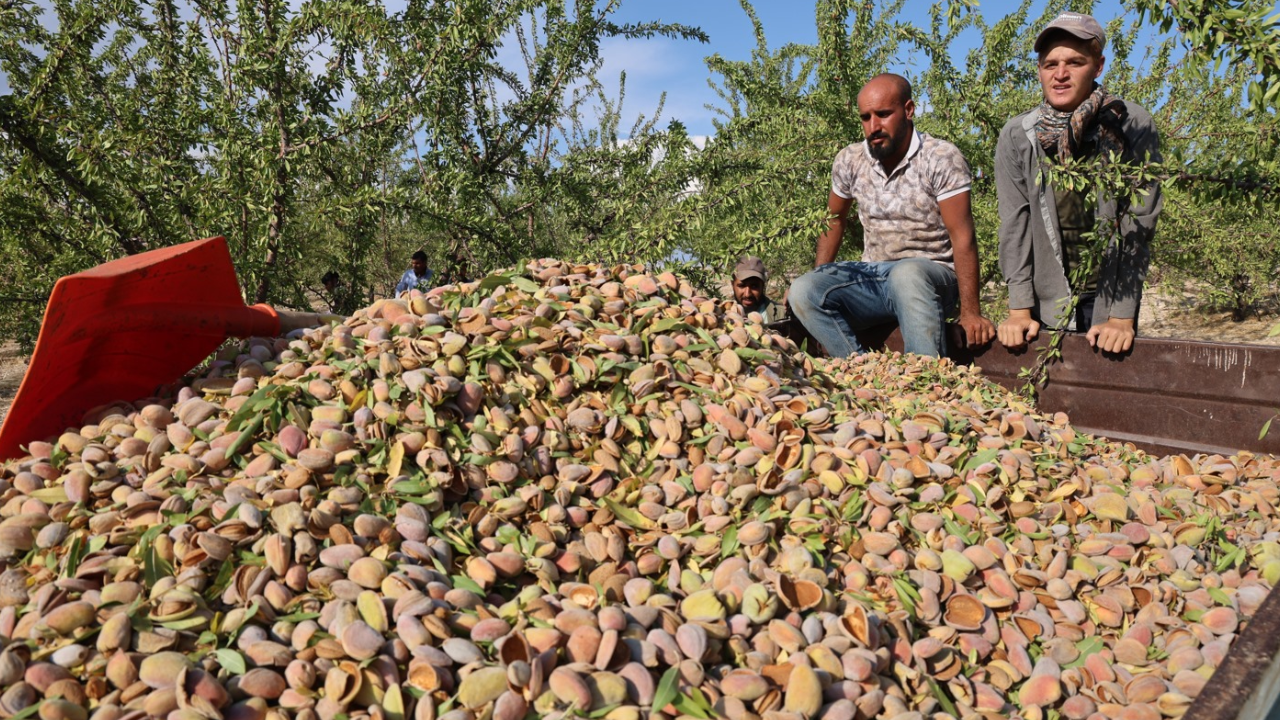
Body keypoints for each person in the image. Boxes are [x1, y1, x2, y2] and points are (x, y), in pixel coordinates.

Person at [789, 74, 995, 358]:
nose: (873, 126)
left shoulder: (941, 157)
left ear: (909, 110)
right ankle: (859, 371)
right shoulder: (850, 160)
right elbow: (833, 220)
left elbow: (963, 235)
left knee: (907, 273)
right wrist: (821, 273)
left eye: (883, 114)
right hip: (874, 276)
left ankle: (926, 383)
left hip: (932, 277)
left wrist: (971, 312)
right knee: (804, 289)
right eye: (865, 117)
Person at [996, 12, 1163, 354]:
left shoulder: (1130, 125)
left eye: (1074, 62)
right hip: (1044, 303)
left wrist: (1121, 316)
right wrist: (1018, 308)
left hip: (1107, 300)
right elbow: (1015, 223)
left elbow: (1138, 222)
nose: (1060, 74)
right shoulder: (1018, 135)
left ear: (1098, 67)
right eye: (1050, 64)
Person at [731, 256, 776, 322]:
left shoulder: (781, 314)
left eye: (754, 286)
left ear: (763, 286)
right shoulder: (722, 316)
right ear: (732, 285)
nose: (747, 294)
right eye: (742, 286)